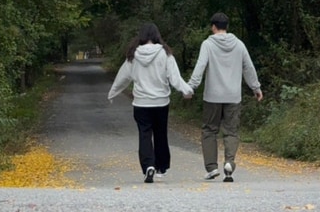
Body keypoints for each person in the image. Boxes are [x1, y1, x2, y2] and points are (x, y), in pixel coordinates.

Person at [108, 22, 193, 183]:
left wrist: (113, 93)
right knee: (160, 134)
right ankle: (161, 166)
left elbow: (123, 77)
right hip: (161, 103)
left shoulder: (133, 56)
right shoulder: (165, 54)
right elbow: (175, 78)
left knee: (144, 134)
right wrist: (186, 90)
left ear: (141, 36)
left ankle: (148, 166)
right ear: (156, 36)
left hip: (141, 103)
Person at [188, 11, 263, 182]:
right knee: (231, 132)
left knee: (209, 131)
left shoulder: (207, 44)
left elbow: (200, 67)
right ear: (226, 27)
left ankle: (212, 167)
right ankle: (229, 164)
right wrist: (256, 87)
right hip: (233, 96)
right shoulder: (239, 45)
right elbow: (248, 68)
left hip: (212, 97)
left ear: (213, 27)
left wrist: (191, 88)